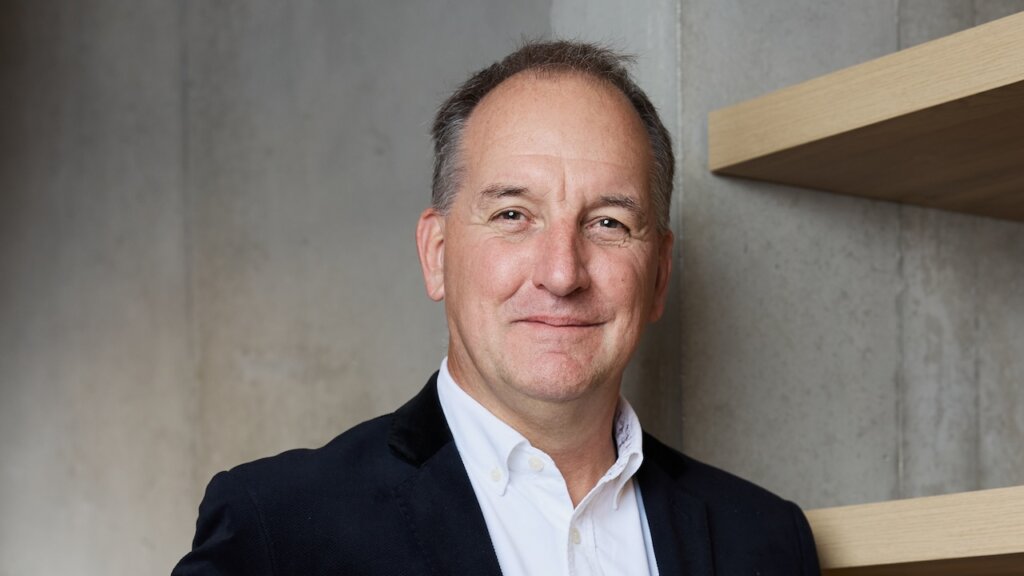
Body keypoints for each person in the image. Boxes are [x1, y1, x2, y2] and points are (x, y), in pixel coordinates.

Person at [172, 41, 820, 576]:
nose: (562, 273)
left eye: (609, 223)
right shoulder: (279, 530)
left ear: (659, 277)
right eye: (513, 215)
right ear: (437, 254)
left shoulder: (765, 543)